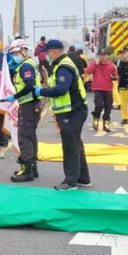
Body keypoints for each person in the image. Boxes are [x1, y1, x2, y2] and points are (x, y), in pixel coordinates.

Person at [32, 40, 91, 191]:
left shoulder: (63, 66)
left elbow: (61, 89)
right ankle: (82, 178)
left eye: (47, 52)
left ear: (54, 51)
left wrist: (41, 91)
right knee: (76, 144)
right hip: (73, 110)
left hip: (71, 111)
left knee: (70, 146)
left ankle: (70, 182)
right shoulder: (61, 64)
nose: (46, 55)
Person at [4, 39, 42, 183]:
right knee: (31, 136)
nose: (15, 55)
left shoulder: (26, 66)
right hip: (32, 104)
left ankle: (27, 171)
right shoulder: (29, 64)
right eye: (13, 53)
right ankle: (32, 168)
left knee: (24, 137)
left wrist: (14, 96)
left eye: (16, 52)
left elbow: (29, 86)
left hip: (29, 105)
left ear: (24, 51)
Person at [84, 49, 119, 132]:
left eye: (104, 55)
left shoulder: (111, 65)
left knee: (108, 106)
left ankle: (106, 123)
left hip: (108, 88)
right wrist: (95, 64)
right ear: (98, 56)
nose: (103, 57)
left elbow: (116, 75)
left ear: (107, 56)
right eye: (101, 55)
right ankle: (96, 119)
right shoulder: (94, 63)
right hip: (98, 88)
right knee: (99, 105)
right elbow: (88, 71)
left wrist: (115, 77)